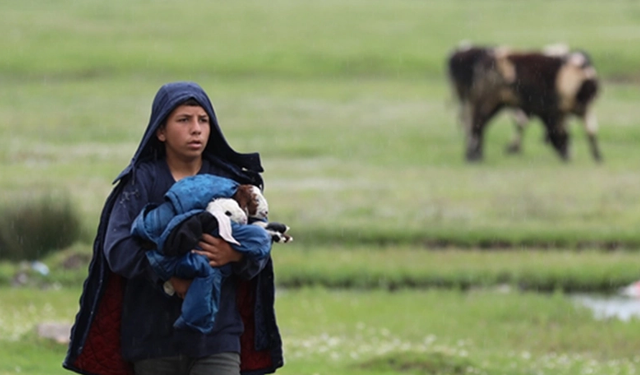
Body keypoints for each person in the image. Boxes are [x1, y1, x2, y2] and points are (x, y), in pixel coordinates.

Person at [63, 81, 283, 375]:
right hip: (153, 340)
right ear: (161, 131)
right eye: (184, 120)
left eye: (203, 120)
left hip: (218, 341)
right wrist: (169, 278)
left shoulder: (232, 183)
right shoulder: (141, 182)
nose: (196, 128)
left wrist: (234, 255)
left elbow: (259, 249)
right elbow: (118, 249)